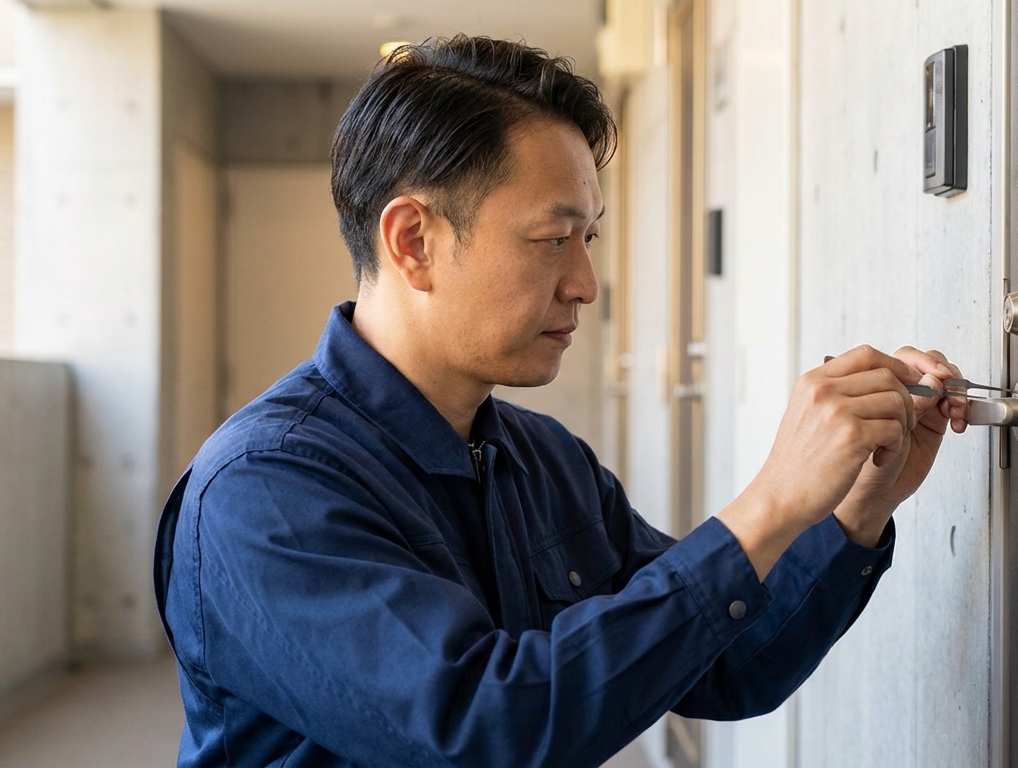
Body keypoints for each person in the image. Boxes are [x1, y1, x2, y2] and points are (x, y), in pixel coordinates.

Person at [153, 35, 970, 768]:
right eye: (553, 240)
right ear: (413, 241)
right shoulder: (265, 490)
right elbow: (484, 728)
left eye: (591, 239)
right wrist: (766, 505)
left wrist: (854, 508)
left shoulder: (542, 459)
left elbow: (723, 663)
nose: (585, 284)